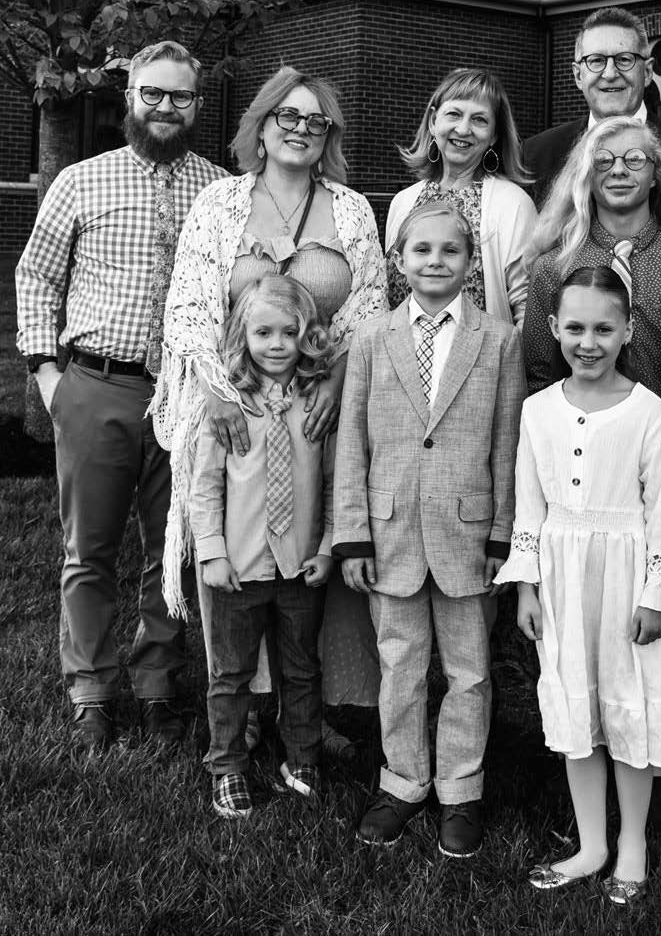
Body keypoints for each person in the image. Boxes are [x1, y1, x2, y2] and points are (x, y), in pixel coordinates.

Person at [153, 67, 387, 745]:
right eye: (288, 115)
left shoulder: (348, 208)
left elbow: (369, 305)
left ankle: (305, 710)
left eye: (316, 121)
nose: (300, 129)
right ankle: (244, 708)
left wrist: (338, 385)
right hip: (236, 409)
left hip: (320, 407)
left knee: (311, 564)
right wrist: (216, 396)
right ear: (260, 123)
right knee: (242, 553)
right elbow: (190, 304)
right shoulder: (220, 203)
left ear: (329, 136)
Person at [16, 41, 227, 749]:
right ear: (129, 95)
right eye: (153, 95)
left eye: (181, 97)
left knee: (173, 548)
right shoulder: (82, 180)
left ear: (198, 105)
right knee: (90, 548)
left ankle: (159, 683)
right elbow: (37, 276)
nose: (166, 108)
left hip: (184, 395)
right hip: (95, 385)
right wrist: (48, 376)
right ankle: (91, 689)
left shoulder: (222, 189)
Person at [495, 265, 661, 902]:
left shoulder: (647, 413)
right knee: (576, 704)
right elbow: (529, 508)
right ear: (553, 328)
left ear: (627, 330)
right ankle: (591, 844)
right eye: (576, 327)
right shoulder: (536, 411)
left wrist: (655, 594)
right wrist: (526, 587)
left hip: (626, 575)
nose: (589, 341)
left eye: (604, 329)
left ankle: (632, 844)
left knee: (628, 704)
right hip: (560, 575)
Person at [333, 203, 525, 858]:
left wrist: (502, 533)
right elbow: (352, 444)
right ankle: (403, 781)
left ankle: (461, 788)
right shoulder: (371, 339)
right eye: (422, 250)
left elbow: (507, 441)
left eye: (449, 251)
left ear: (470, 263)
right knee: (401, 667)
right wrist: (352, 535)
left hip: (467, 534)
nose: (435, 261)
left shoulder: (497, 340)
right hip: (388, 535)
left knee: (469, 671)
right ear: (399, 260)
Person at [190, 274, 335, 819]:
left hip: (300, 564)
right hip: (240, 566)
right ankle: (226, 766)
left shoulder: (317, 403)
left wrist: (326, 546)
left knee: (302, 669)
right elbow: (205, 485)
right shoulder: (229, 405)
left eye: (289, 332)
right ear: (243, 336)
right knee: (230, 674)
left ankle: (301, 761)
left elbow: (333, 481)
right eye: (263, 333)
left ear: (307, 335)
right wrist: (212, 551)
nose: (276, 344)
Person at [523, 115, 661, 404]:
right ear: (586, 175)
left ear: (656, 175)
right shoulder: (553, 268)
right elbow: (538, 376)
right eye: (603, 161)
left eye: (635, 159)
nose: (618, 170)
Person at [523, 7, 661, 210]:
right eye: (596, 61)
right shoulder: (535, 157)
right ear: (578, 75)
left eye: (624, 60)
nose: (610, 73)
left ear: (648, 72)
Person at [385, 68, 537, 327]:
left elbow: (527, 308)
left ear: (494, 135)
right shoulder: (403, 202)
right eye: (454, 114)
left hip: (483, 363)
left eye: (479, 120)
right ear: (434, 121)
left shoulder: (514, 205)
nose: (464, 129)